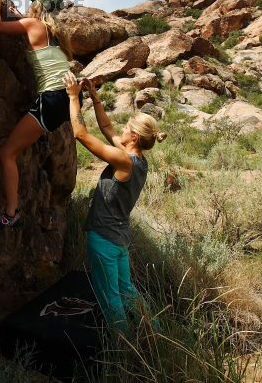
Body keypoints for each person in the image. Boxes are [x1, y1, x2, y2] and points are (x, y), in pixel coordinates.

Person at [62, 71, 167, 333]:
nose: (122, 130)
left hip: (104, 238)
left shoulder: (123, 161)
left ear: (133, 138)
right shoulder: (139, 161)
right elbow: (107, 128)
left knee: (111, 299)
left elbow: (81, 134)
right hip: (119, 239)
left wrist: (74, 97)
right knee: (127, 291)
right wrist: (96, 99)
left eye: (127, 129)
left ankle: (124, 348)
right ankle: (155, 334)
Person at [0, 0, 82, 231]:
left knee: (7, 153)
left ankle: (11, 213)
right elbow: (26, 25)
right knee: (19, 145)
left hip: (51, 99)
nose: (28, 6)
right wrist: (17, 13)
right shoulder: (54, 33)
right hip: (66, 99)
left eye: (32, 3)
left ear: (38, 5)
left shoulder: (32, 25)